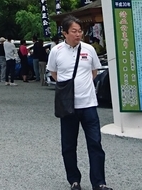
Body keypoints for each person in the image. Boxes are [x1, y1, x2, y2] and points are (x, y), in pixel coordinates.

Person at [48, 16, 112, 190]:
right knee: (69, 145)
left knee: (95, 143)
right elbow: (54, 73)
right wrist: (68, 89)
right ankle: (74, 180)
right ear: (65, 33)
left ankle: (99, 182)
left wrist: (84, 87)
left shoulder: (89, 49)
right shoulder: (57, 51)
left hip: (89, 104)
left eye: (80, 31)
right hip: (68, 106)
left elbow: (94, 72)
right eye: (74, 31)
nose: (78, 34)